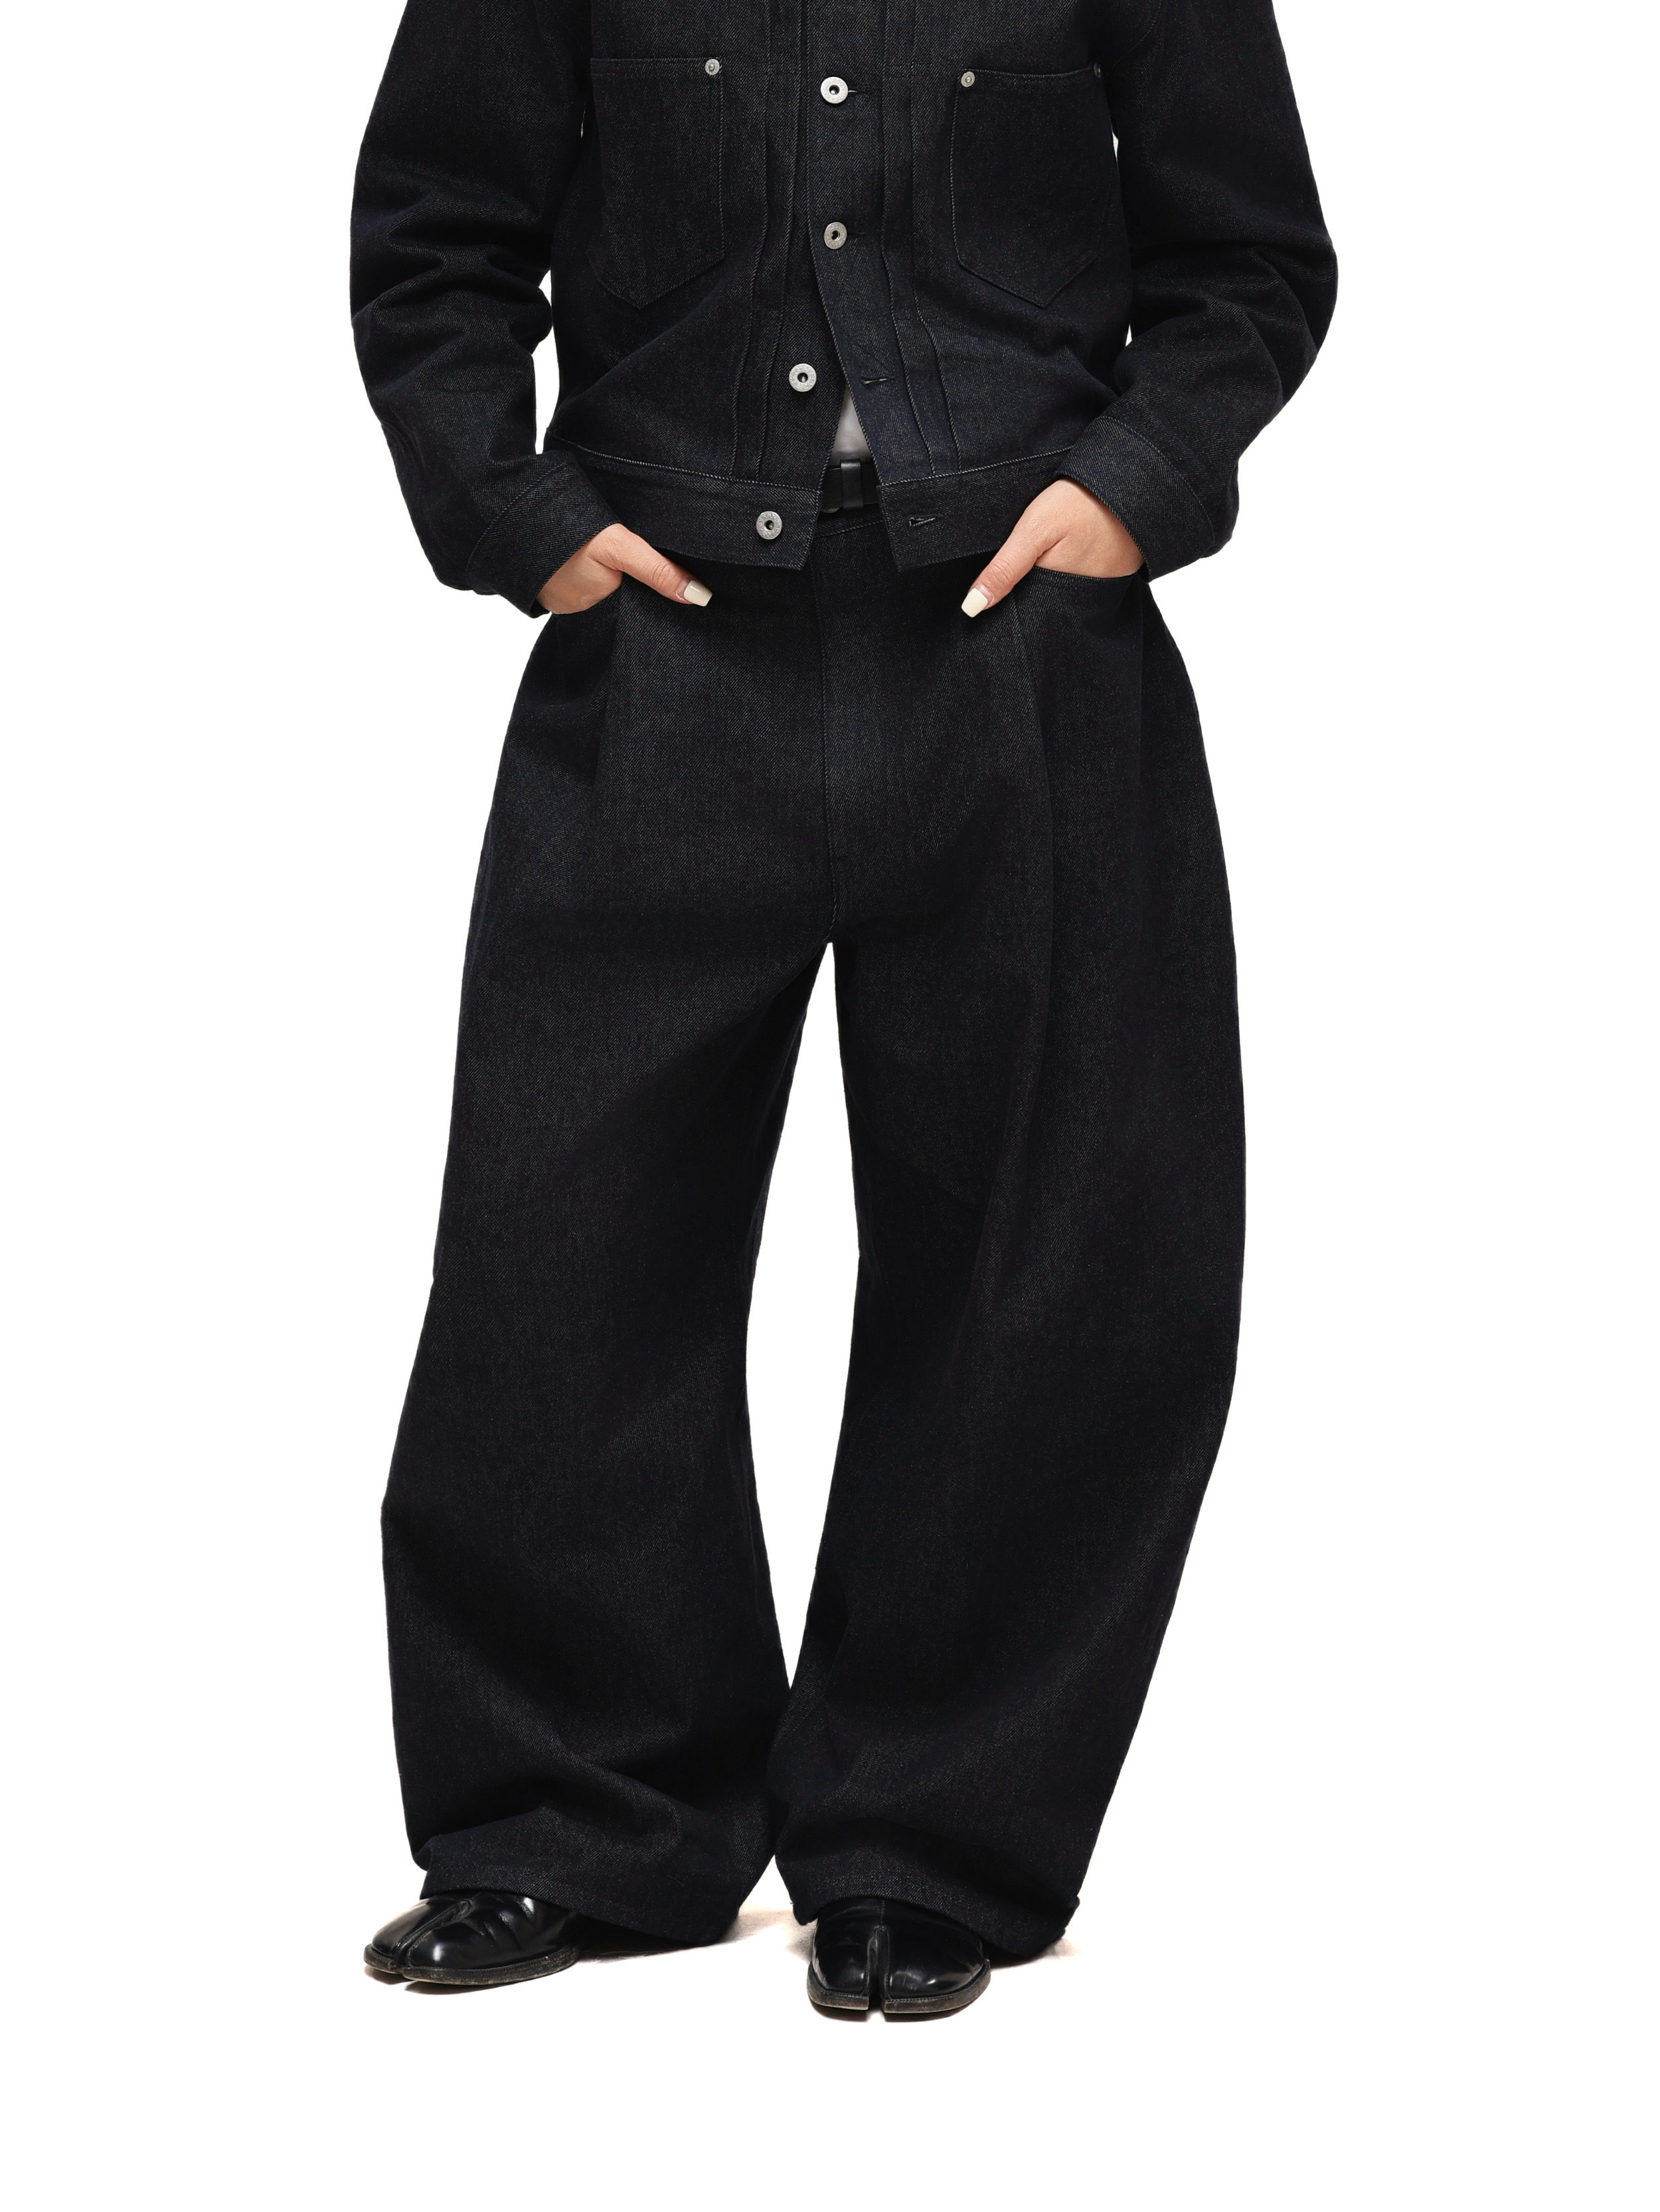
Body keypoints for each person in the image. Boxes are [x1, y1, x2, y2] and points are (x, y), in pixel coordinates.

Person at [351, 0, 1335, 2017]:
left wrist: (1136, 483)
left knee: (1051, 1256)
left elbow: (1250, 256)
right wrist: (519, 518)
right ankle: (571, 1820)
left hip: (1026, 647)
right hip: (662, 642)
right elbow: (436, 235)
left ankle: (930, 1841)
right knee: (559, 1244)